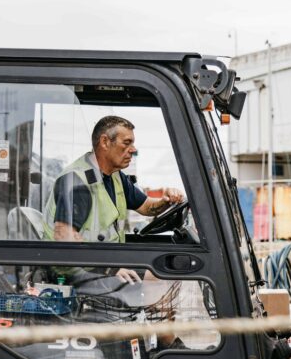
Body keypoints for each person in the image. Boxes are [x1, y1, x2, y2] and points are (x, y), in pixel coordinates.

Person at [42, 115, 185, 283]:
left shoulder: (116, 177)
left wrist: (166, 200)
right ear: (105, 142)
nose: (133, 149)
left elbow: (146, 206)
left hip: (104, 262)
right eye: (127, 143)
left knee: (163, 266)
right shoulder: (77, 182)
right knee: (159, 277)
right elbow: (64, 235)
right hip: (76, 272)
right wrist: (109, 269)